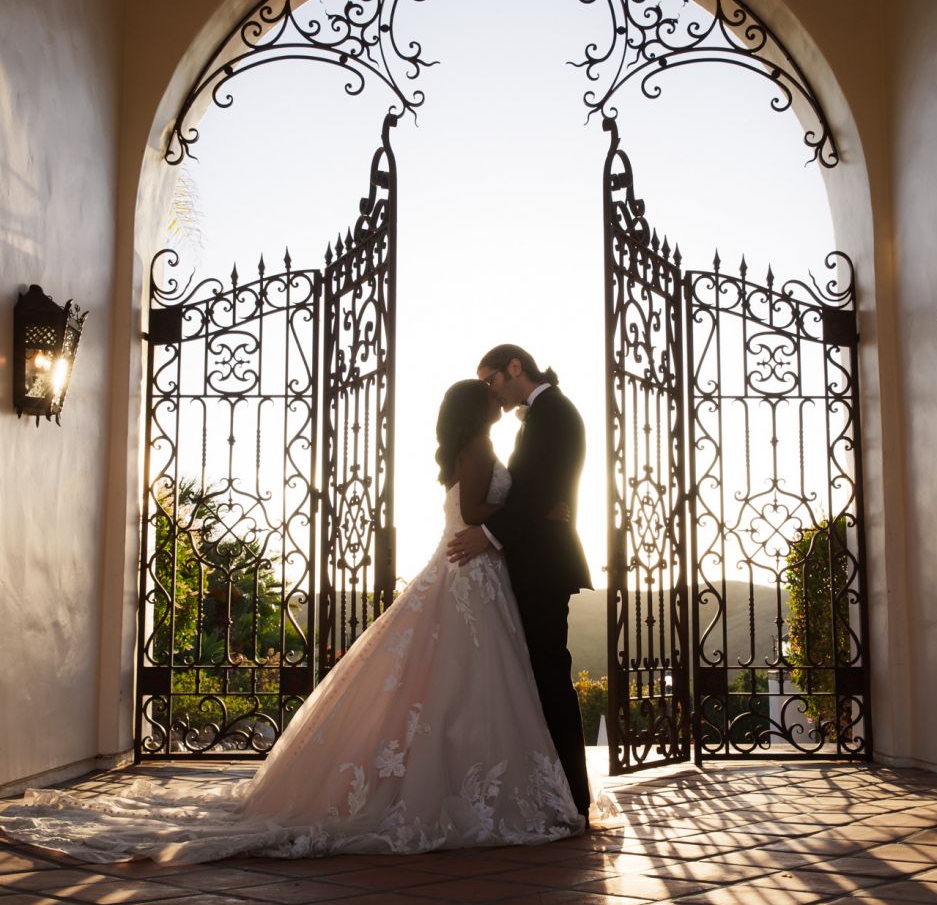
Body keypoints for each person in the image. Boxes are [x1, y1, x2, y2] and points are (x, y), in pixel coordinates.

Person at [0, 380, 585, 864]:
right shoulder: (481, 449)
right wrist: (526, 510)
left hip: (467, 573)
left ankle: (455, 776)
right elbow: (476, 512)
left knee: (442, 687)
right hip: (470, 573)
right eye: (485, 392)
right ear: (475, 410)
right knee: (466, 685)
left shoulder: (469, 448)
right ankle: (467, 783)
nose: (493, 395)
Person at [448, 345, 592, 820]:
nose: (489, 391)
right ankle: (547, 789)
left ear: (515, 368)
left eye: (490, 380)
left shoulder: (555, 413)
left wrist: (487, 533)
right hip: (525, 562)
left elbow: (537, 490)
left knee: (550, 675)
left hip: (544, 566)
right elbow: (535, 493)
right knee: (532, 677)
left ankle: (572, 797)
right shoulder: (538, 416)